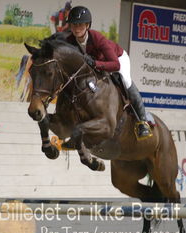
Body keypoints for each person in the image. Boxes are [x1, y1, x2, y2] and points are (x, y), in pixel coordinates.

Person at [65, 6, 152, 140]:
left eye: (80, 25)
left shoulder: (97, 38)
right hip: (97, 65)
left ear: (87, 25)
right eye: (74, 24)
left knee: (126, 81)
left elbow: (115, 64)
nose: (77, 28)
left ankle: (143, 122)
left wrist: (95, 64)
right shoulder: (70, 41)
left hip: (118, 59)